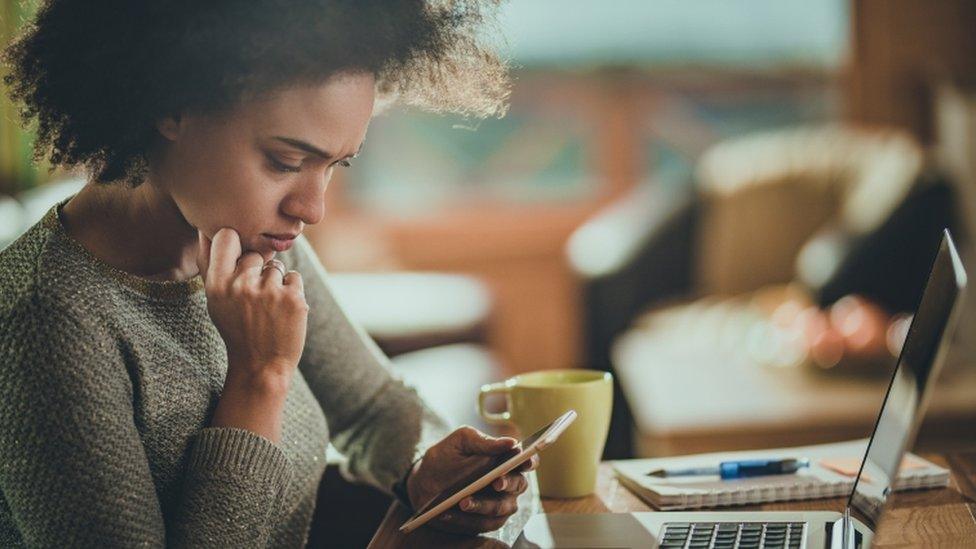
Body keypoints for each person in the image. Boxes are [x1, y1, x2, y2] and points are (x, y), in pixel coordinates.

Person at [0, 1, 534, 546]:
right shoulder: (44, 323)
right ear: (171, 106)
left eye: (336, 165)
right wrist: (259, 378)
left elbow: (371, 406)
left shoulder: (249, 238)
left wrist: (426, 468)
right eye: (285, 162)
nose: (312, 208)